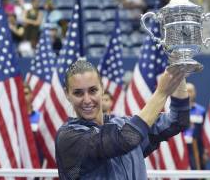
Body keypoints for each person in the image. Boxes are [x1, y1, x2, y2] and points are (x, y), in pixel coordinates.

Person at [55, 60, 190, 179]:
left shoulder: (122, 125)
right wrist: (161, 93)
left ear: (102, 88)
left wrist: (179, 69)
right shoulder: (68, 137)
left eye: (92, 90)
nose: (87, 100)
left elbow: (178, 121)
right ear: (67, 94)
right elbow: (125, 139)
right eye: (78, 93)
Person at [183, 82, 206, 170]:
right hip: (183, 148)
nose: (188, 94)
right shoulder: (177, 112)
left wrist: (205, 151)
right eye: (186, 91)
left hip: (197, 148)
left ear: (195, 92)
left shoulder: (201, 111)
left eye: (190, 91)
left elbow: (204, 133)